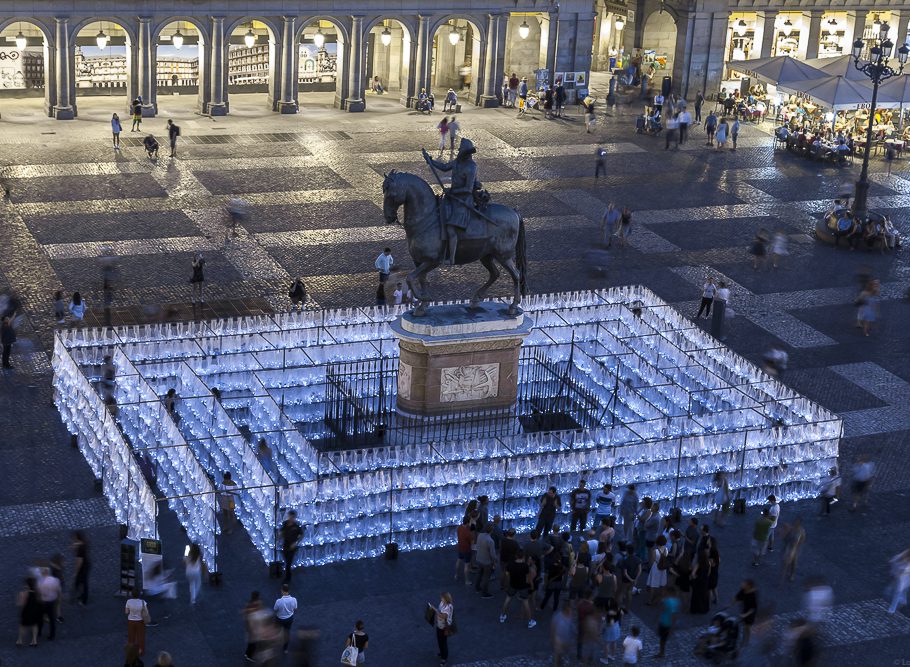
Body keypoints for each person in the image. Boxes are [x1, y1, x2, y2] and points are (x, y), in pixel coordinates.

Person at [500, 549, 536, 628]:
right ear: (523, 557)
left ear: (516, 556)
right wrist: (531, 586)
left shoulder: (510, 564)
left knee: (507, 600)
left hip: (513, 585)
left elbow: (507, 575)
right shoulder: (525, 566)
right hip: (523, 586)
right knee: (526, 603)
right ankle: (530, 621)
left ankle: (502, 616)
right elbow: (528, 578)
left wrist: (507, 585)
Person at [655, 586, 680, 658]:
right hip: (665, 622)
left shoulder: (667, 601)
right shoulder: (676, 601)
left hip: (665, 623)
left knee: (662, 639)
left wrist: (672, 627)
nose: (664, 592)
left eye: (665, 591)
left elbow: (673, 615)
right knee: (663, 639)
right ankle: (661, 652)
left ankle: (661, 653)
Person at [17, 577, 41, 647]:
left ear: (27, 585)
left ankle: (20, 640)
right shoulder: (37, 593)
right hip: (35, 612)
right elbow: (40, 602)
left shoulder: (23, 593)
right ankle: (34, 641)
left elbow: (20, 604)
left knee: (22, 626)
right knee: (34, 625)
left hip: (26, 612)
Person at [432, 591, 455, 666]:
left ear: (446, 598)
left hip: (444, 627)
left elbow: (443, 616)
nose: (441, 598)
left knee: (443, 642)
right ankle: (442, 653)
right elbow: (439, 611)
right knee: (440, 641)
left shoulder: (448, 607)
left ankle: (444, 658)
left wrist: (434, 609)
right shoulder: (442, 603)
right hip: (440, 625)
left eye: (442, 597)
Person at [274, 584, 298, 653]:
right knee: (286, 633)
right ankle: (285, 649)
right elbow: (295, 609)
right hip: (289, 619)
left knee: (276, 631)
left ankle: (274, 644)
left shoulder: (278, 601)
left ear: (282, 591)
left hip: (279, 619)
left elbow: (275, 609)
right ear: (289, 591)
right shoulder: (294, 599)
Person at [474, 524, 497, 597]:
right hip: (487, 562)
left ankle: (477, 588)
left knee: (479, 574)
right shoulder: (490, 541)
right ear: (492, 531)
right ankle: (484, 593)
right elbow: (492, 554)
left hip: (478, 558)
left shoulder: (480, 535)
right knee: (486, 577)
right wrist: (495, 561)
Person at [125, 588, 149, 656]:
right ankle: (140, 651)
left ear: (132, 594)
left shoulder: (128, 601)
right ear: (139, 594)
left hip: (131, 621)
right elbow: (146, 613)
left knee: (131, 637)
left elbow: (126, 612)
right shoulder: (143, 602)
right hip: (140, 621)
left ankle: (131, 651)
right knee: (140, 637)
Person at [734, 579, 758, 645]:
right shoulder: (743, 590)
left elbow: (753, 608)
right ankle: (744, 640)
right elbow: (737, 597)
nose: (742, 584)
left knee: (747, 627)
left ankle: (747, 640)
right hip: (744, 611)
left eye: (744, 584)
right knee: (744, 626)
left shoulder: (752, 595)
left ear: (748, 586)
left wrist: (745, 615)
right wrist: (731, 603)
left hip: (750, 615)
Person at [781, 517, 806, 582]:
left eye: (797, 523)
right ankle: (787, 570)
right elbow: (785, 537)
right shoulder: (791, 528)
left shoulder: (801, 531)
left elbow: (802, 540)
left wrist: (797, 547)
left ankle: (792, 574)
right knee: (786, 560)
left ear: (799, 524)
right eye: (795, 522)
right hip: (788, 546)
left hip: (795, 548)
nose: (795, 524)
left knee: (794, 562)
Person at [888, 549, 910, 614]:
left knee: (900, 590)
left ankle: (893, 608)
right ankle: (893, 608)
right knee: (900, 590)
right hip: (902, 577)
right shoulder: (904, 556)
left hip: (904, 576)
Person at [72, 531, 90, 606]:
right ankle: (80, 596)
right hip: (86, 564)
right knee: (81, 582)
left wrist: (76, 572)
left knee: (82, 582)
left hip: (83, 567)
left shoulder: (80, 548)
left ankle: (83, 599)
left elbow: (79, 561)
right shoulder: (83, 544)